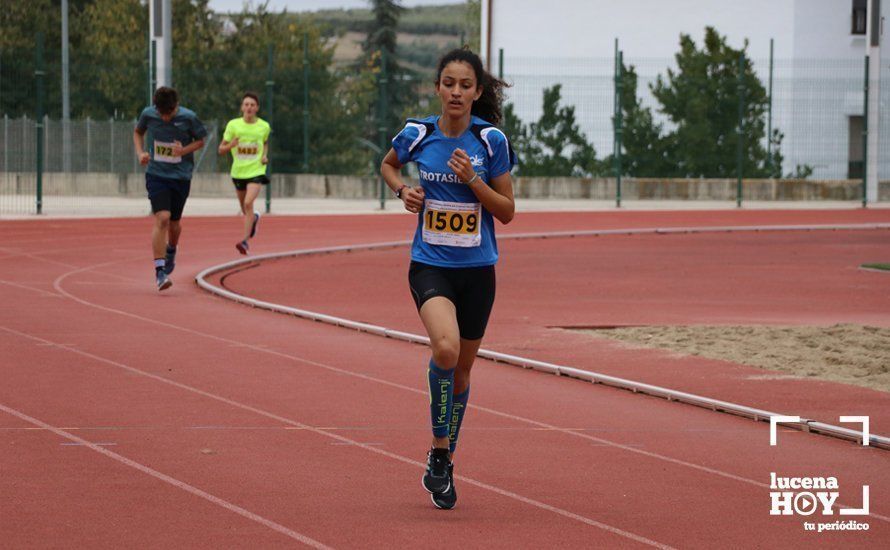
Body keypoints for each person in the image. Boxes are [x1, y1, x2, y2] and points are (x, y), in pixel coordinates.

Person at [380, 47, 516, 510]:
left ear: (478, 92)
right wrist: (403, 190)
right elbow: (387, 163)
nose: (456, 92)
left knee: (461, 373)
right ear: (437, 87)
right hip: (431, 264)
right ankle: (440, 451)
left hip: (478, 272)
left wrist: (473, 182)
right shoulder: (418, 134)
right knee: (445, 348)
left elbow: (508, 212)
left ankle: (444, 457)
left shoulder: (491, 140)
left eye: (465, 85)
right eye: (448, 83)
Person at [133, 86, 207, 291]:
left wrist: (183, 150)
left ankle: (171, 249)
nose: (164, 118)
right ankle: (160, 272)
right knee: (162, 218)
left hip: (181, 177)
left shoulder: (189, 117)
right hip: (157, 175)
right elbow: (138, 132)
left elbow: (201, 140)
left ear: (176, 107)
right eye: (161, 113)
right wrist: (140, 153)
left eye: (169, 113)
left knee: (174, 223)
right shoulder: (148, 114)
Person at [218, 92, 271, 255]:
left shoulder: (264, 126)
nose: (249, 107)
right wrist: (231, 144)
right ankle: (254, 219)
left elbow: (265, 142)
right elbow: (221, 149)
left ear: (257, 108)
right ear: (242, 107)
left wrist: (264, 155)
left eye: (252, 105)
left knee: (248, 203)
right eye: (246, 104)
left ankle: (245, 241)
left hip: (256, 171)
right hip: (239, 172)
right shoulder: (233, 125)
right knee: (244, 208)